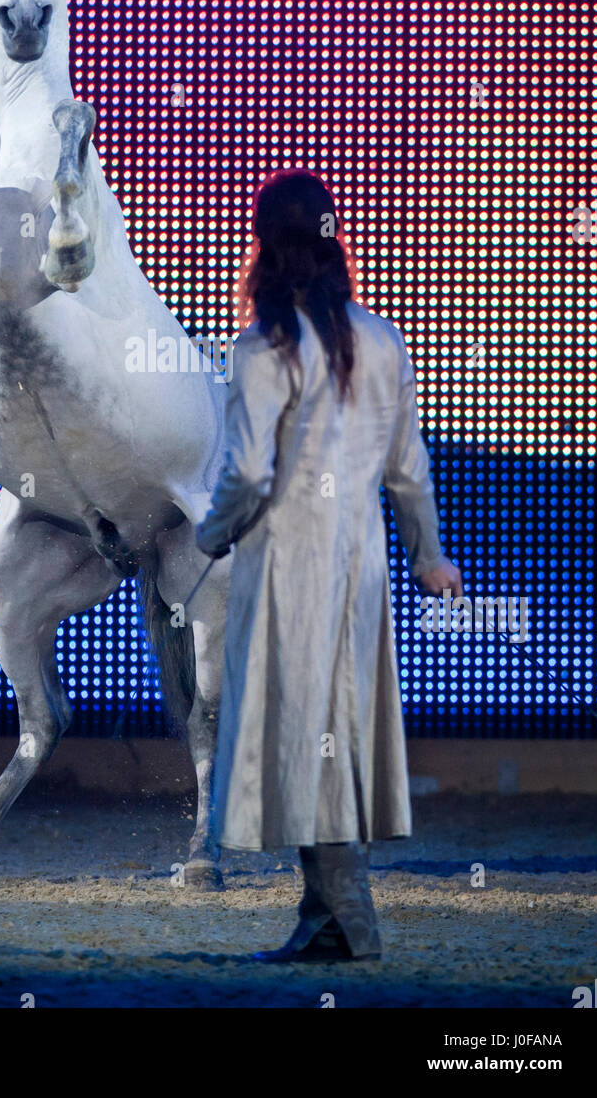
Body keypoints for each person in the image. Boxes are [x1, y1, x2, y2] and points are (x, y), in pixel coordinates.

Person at [195, 171, 463, 963]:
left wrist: (210, 537)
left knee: (308, 737)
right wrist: (431, 557)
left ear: (264, 244)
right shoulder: (380, 339)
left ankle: (355, 923)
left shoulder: (263, 347)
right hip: (360, 570)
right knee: (334, 734)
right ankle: (323, 920)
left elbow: (245, 473)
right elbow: (409, 468)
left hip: (287, 572)